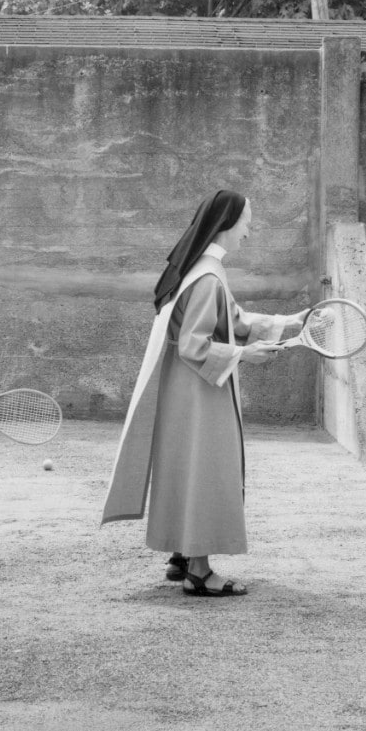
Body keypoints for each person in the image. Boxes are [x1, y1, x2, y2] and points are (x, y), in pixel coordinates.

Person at [101, 191, 306, 597]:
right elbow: (196, 343)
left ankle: (181, 553)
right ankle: (200, 570)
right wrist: (246, 354)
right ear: (226, 224)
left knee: (185, 467)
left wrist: (289, 322)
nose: (248, 231)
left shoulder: (200, 271)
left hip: (185, 389)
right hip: (200, 391)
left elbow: (232, 321)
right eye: (246, 222)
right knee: (206, 470)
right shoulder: (209, 278)